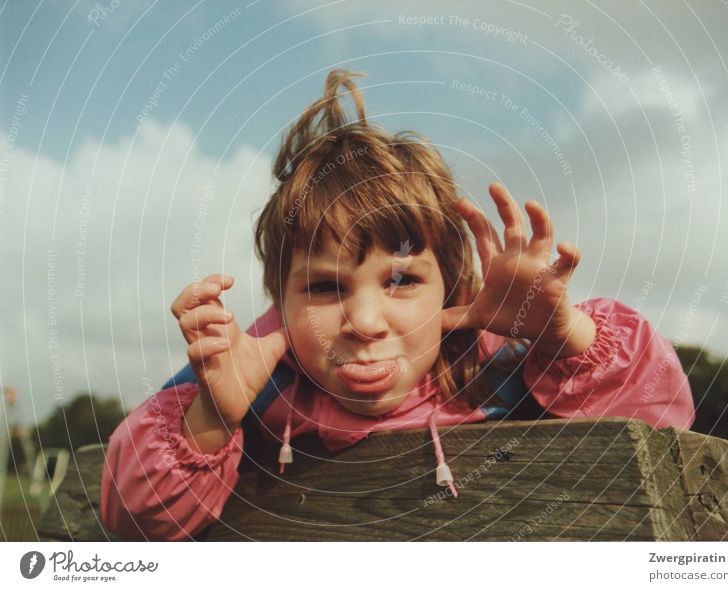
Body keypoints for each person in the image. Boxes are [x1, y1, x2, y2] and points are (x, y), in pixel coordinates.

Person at [101, 69, 694, 541]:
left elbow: (665, 426)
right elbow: (130, 527)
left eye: (403, 281)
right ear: (280, 302)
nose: (363, 323)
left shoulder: (503, 366)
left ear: (452, 287)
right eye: (326, 288)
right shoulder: (245, 385)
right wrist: (211, 418)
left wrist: (565, 340)